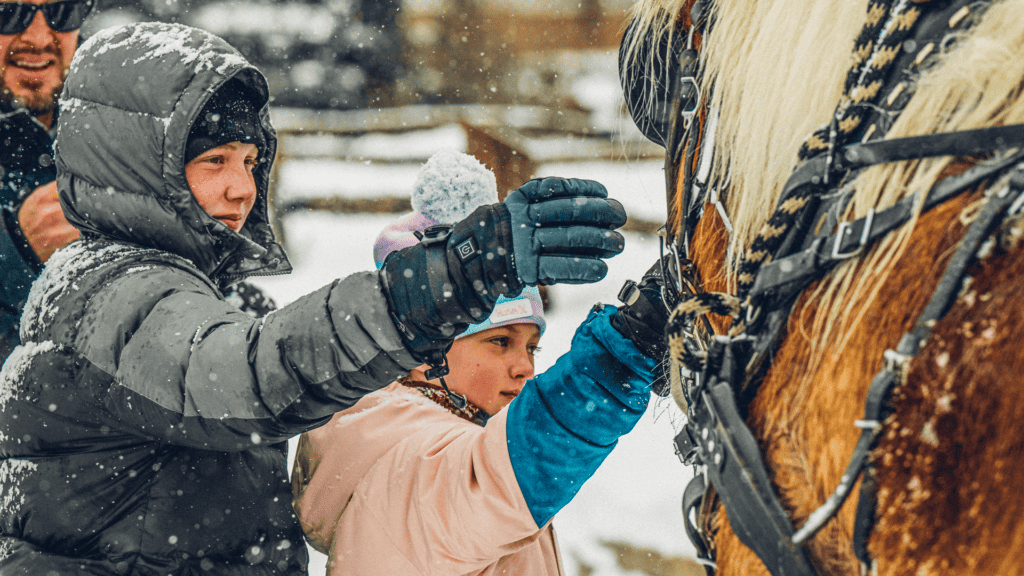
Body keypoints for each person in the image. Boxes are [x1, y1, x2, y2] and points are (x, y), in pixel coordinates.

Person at [0, 22, 629, 576]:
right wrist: (443, 282)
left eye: (250, 161)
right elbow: (252, 373)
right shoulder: (108, 294)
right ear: (137, 168)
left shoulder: (202, 295)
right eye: (214, 160)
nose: (242, 188)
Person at [290, 151, 672, 575]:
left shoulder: (398, 434)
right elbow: (498, 479)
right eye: (500, 341)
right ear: (423, 356)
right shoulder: (408, 466)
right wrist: (618, 360)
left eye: (531, 347)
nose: (524, 368)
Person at [0, 0, 90, 358]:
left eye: (63, 10)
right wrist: (16, 252)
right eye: (7, 13)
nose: (38, 37)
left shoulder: (126, 129)